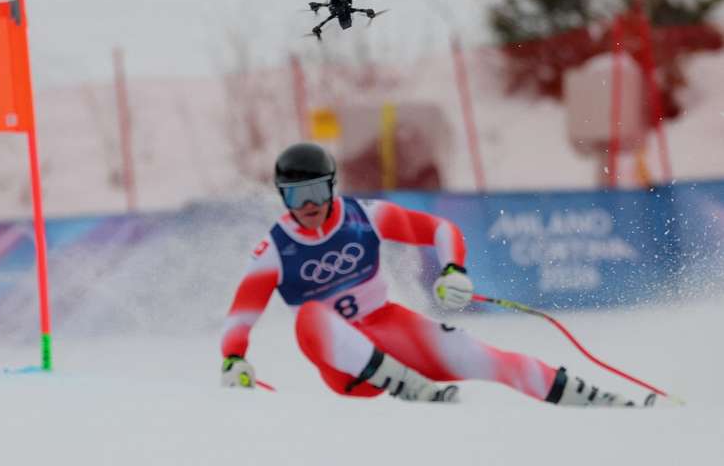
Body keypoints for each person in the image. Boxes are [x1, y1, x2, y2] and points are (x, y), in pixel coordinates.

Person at [220, 142, 653, 407]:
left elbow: (441, 229)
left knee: (480, 354)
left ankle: (592, 399)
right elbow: (241, 315)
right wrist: (234, 359)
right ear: (283, 198)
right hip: (346, 369)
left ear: (332, 187)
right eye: (296, 195)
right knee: (310, 315)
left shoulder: (366, 216)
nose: (309, 205)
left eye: (316, 191)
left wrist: (453, 270)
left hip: (388, 329)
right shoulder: (274, 250)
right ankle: (406, 384)